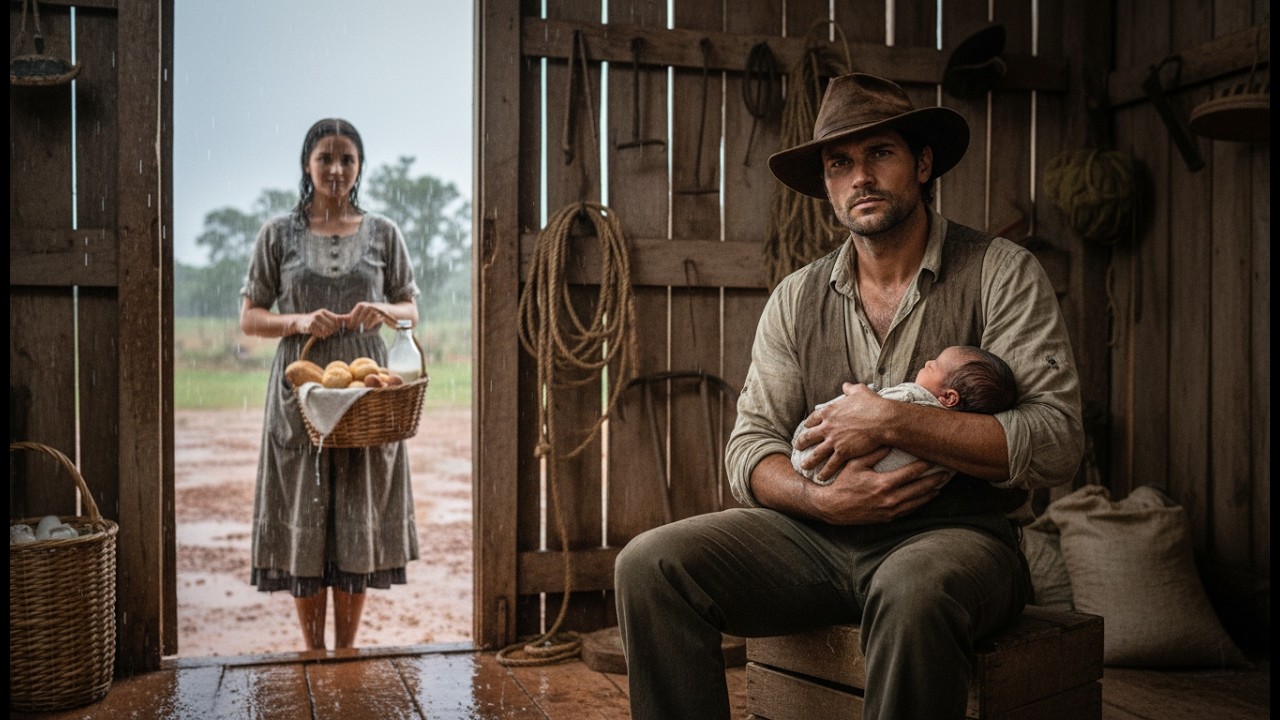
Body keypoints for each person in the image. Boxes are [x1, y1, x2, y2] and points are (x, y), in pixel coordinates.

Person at [614, 73, 1084, 720]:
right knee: (650, 565)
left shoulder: (1000, 272)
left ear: (922, 164)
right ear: (827, 184)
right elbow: (749, 449)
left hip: (957, 539)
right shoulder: (796, 298)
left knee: (913, 590)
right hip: (816, 539)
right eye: (840, 163)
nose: (860, 177)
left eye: (880, 154)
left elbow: (1057, 440)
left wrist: (892, 421)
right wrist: (820, 501)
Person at [239, 118, 421, 651]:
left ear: (359, 168)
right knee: (306, 507)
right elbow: (250, 317)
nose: (336, 169)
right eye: (326, 158)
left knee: (357, 509)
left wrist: (382, 311)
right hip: (301, 387)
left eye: (347, 159)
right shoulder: (278, 234)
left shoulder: (384, 233)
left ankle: (345, 651)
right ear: (307, 164)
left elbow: (411, 307)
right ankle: (313, 650)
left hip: (368, 389)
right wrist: (298, 321)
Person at [793, 345, 1018, 485]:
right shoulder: (952, 457)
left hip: (815, 465)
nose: (928, 362)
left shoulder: (910, 397)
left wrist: (865, 394)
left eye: (934, 366)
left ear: (949, 397)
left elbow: (866, 407)